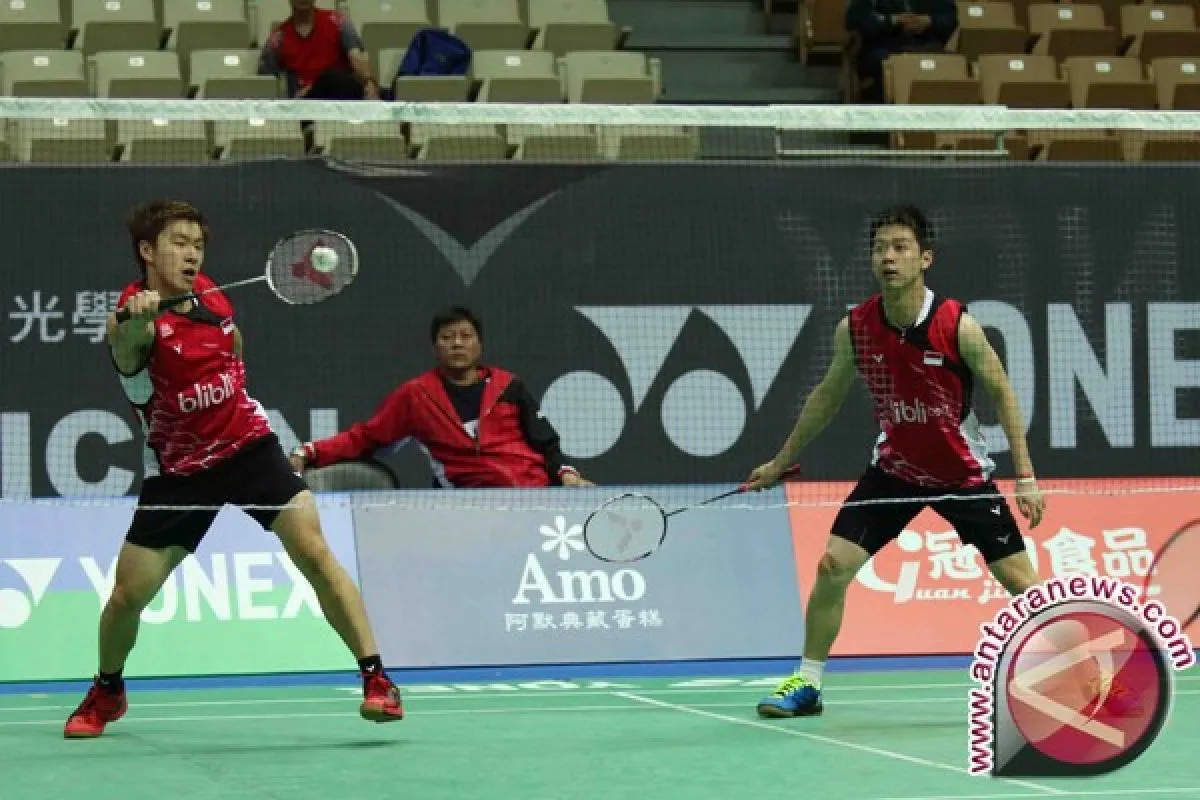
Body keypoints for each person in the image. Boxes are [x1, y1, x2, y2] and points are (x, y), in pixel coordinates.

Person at [745, 204, 1139, 719]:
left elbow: (1003, 392)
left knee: (1021, 581)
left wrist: (1025, 476)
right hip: (896, 469)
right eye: (879, 249)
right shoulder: (857, 327)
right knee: (832, 565)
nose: (888, 258)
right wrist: (781, 461)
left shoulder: (957, 326)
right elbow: (827, 396)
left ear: (925, 258)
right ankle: (808, 683)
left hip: (962, 474)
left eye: (900, 248)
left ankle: (1094, 682)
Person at [64, 200, 403, 739]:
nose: (192, 255)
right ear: (147, 251)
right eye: (179, 243)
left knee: (314, 551)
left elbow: (232, 342)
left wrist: (233, 385)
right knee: (128, 595)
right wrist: (136, 322)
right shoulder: (134, 321)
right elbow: (125, 348)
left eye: (198, 245)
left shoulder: (213, 296)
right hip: (180, 471)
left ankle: (377, 678)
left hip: (248, 448)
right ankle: (107, 689)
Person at [291, 306, 593, 489]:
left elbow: (546, 442)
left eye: (465, 336)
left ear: (479, 345)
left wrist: (567, 475)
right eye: (447, 338)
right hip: (464, 507)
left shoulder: (509, 386)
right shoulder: (416, 396)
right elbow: (366, 437)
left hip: (534, 497)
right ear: (435, 348)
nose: (457, 344)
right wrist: (309, 452)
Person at [258, 0, 380, 100]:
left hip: (341, 100)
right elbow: (265, 83)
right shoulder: (278, 38)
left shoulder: (338, 21)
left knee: (331, 77)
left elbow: (356, 56)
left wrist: (369, 82)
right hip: (305, 106)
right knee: (328, 78)